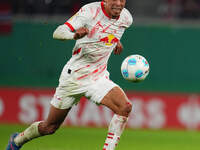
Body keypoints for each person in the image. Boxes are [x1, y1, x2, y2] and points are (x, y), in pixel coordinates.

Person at [6, 0, 133, 150]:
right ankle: (17, 141)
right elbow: (58, 32)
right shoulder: (89, 12)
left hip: (98, 76)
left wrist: (114, 41)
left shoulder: (126, 18)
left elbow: (109, 31)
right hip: (73, 77)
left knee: (124, 107)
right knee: (49, 127)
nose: (119, 3)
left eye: (122, 0)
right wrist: (73, 35)